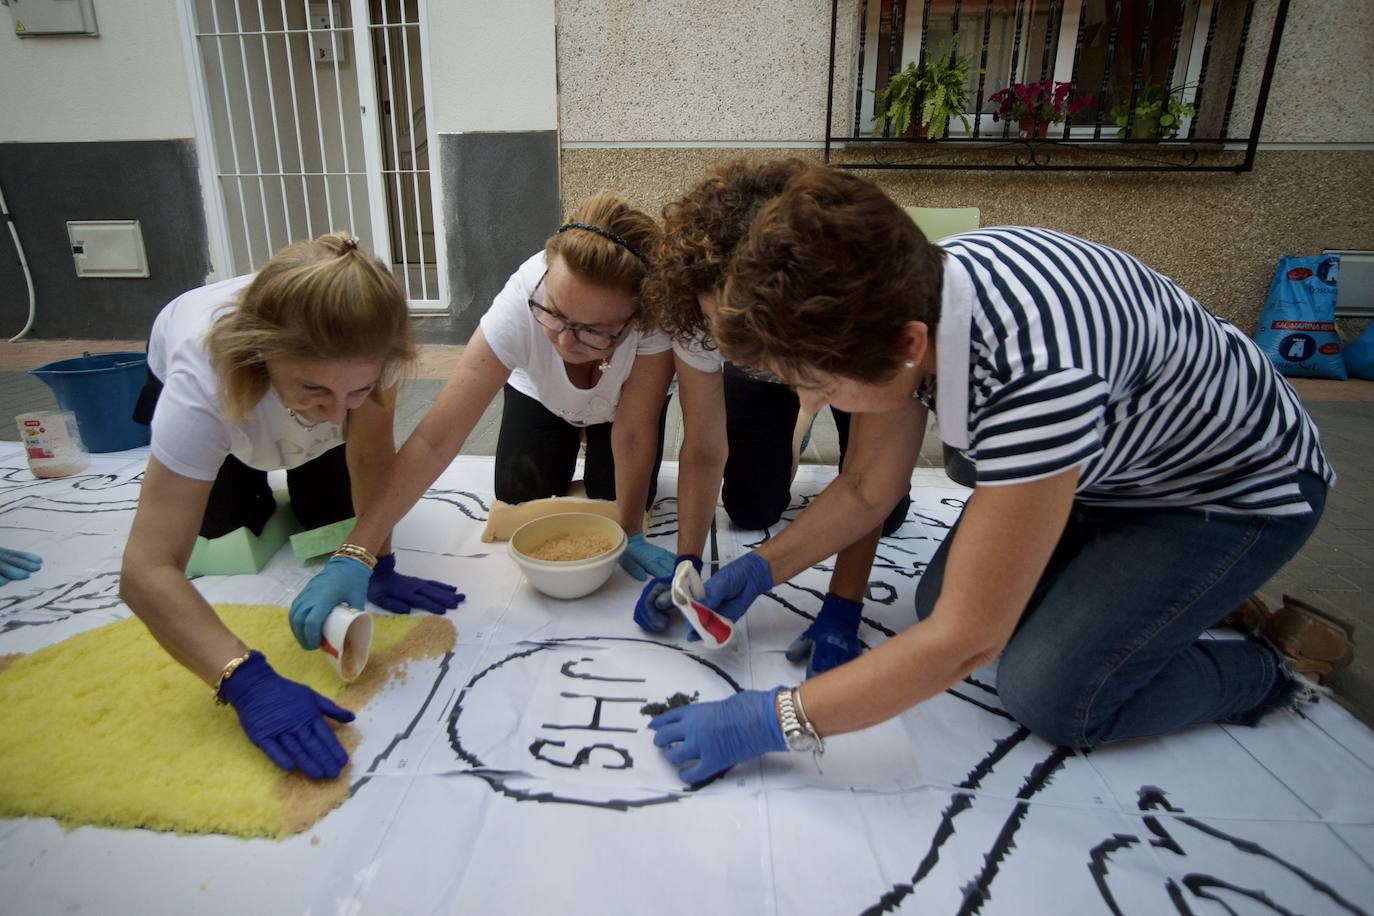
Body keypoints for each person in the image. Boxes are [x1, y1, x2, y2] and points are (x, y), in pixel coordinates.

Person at [648, 165, 1337, 784]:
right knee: (935, 600)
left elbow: (966, 639)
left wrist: (774, 721)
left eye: (821, 383)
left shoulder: (1036, 375)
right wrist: (762, 569)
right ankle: (1172, 602)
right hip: (1109, 472)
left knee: (1056, 694)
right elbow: (865, 488)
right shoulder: (906, 287)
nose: (816, 399)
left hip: (1228, 495)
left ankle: (1273, 670)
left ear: (906, 347)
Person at [120, 232, 460, 781]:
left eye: (356, 393)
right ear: (263, 353)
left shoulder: (373, 350)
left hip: (301, 379)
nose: (333, 416)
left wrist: (374, 557)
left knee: (329, 516)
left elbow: (370, 455)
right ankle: (249, 464)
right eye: (314, 389)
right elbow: (145, 569)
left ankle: (309, 422)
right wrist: (243, 678)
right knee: (225, 524)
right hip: (226, 390)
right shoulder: (201, 380)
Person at [289, 193, 678, 646]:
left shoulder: (656, 316)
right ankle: (573, 431)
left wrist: (629, 531)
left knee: (619, 497)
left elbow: (633, 432)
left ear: (635, 319)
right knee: (518, 493)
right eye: (554, 313)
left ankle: (597, 444)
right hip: (542, 394)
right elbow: (436, 437)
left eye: (594, 331)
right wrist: (359, 553)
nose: (565, 341)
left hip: (620, 402)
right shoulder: (522, 297)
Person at [633, 157, 911, 677]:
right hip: (792, 372)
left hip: (832, 354)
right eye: (723, 331)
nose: (735, 347)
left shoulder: (869, 322)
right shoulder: (702, 317)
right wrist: (686, 562)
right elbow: (703, 445)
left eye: (748, 332)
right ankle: (796, 428)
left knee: (888, 512)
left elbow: (866, 489)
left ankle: (804, 424)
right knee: (752, 509)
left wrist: (843, 605)